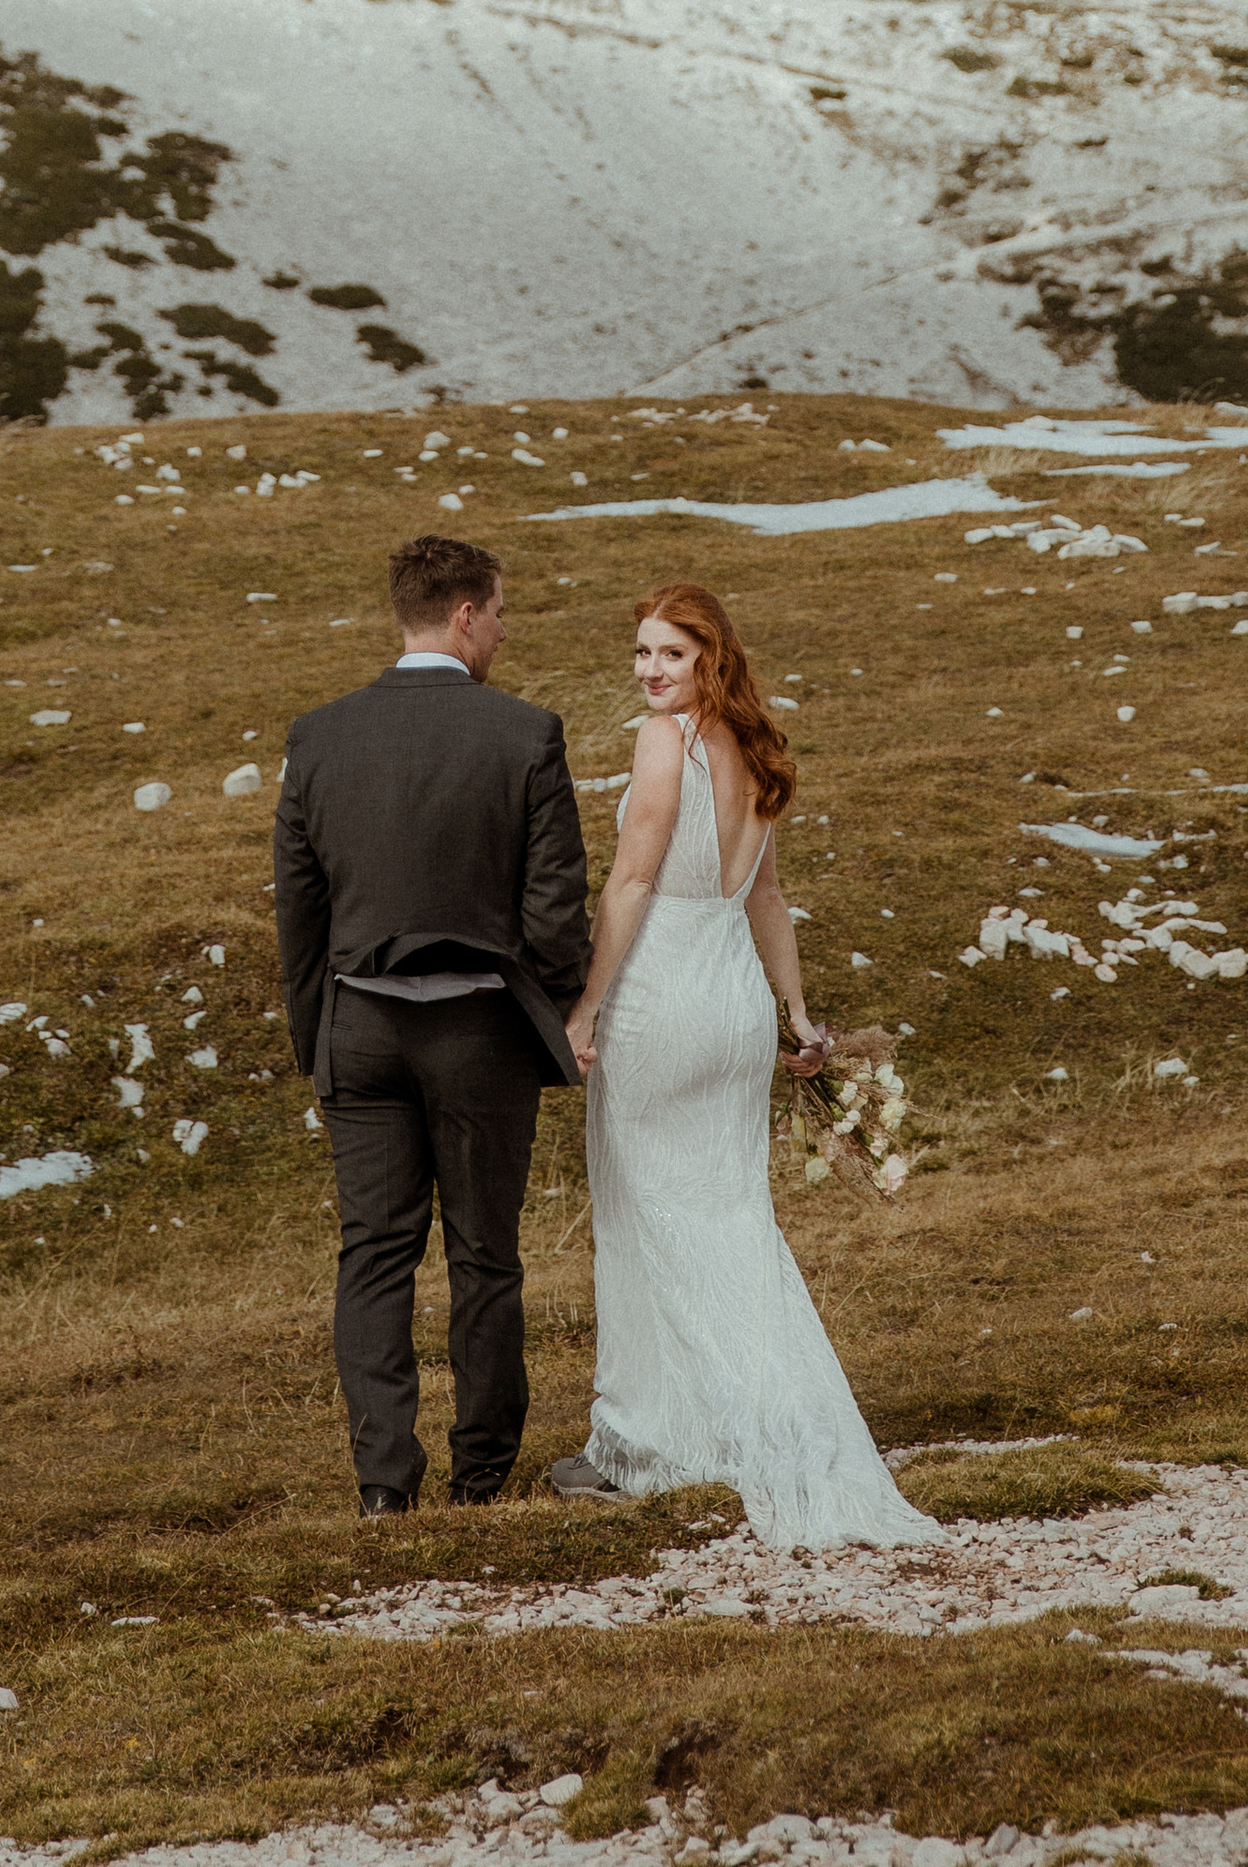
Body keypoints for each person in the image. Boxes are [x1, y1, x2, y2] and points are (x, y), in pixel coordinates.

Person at [552, 581, 937, 1549]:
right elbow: (766, 896)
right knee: (727, 1214)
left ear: (709, 659)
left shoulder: (665, 742)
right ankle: (702, 1424)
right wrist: (793, 1012)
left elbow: (632, 880)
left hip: (664, 995)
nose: (649, 671)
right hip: (732, 1005)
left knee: (645, 1211)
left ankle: (646, 1440)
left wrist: (586, 1006)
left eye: (670, 654)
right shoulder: (755, 749)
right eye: (641, 652)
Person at [275, 532, 591, 1514]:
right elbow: (554, 910)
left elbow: (299, 905)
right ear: (463, 615)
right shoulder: (525, 733)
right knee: (484, 1254)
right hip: (480, 1033)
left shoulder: (318, 736)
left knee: (373, 1254)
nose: (502, 631)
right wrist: (558, 1008)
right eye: (498, 613)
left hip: (358, 1029)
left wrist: (317, 1040)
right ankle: (480, 1478)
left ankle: (383, 1485)